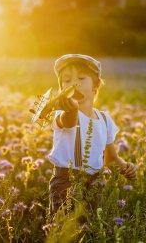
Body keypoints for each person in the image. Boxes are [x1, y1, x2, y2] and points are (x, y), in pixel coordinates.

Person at [46, 54, 137, 221]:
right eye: (66, 80)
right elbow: (68, 122)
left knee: (90, 227)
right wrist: (70, 109)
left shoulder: (104, 119)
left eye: (81, 78)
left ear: (95, 86)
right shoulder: (62, 114)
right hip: (66, 181)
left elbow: (110, 159)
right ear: (61, 90)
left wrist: (125, 167)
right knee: (62, 228)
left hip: (95, 184)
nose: (74, 83)